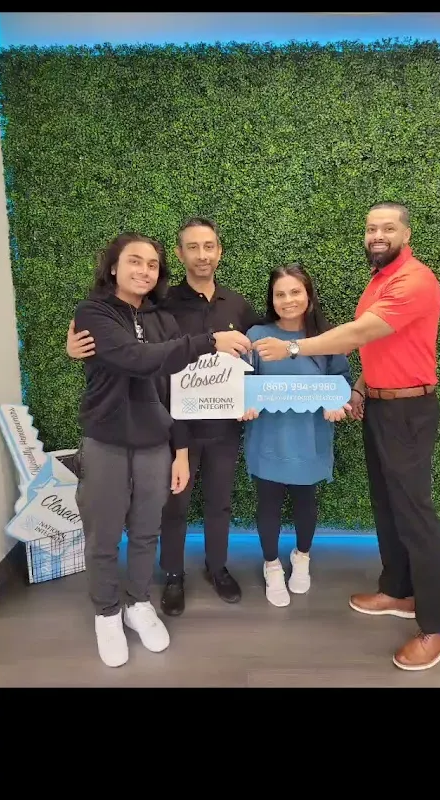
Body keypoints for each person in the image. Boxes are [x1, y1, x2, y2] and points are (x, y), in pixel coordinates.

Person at [253, 202, 440, 671]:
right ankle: (398, 591)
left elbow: (360, 333)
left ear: (406, 234)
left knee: (415, 515)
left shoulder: (414, 280)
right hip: (381, 403)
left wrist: (293, 347)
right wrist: (362, 387)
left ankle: (439, 628)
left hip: (408, 409)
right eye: (371, 228)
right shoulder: (379, 280)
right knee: (387, 505)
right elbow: (379, 346)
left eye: (388, 228)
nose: (377, 235)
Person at [66, 218, 261, 617]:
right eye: (193, 247)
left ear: (220, 251)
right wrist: (75, 349)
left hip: (217, 426)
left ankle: (214, 569)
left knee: (212, 505)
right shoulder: (158, 305)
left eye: (209, 246)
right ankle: (170, 577)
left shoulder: (232, 305)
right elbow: (140, 357)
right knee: (167, 509)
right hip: (169, 428)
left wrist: (253, 395)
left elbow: (255, 352)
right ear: (180, 254)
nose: (202, 255)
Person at [239, 264, 352, 607]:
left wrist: (338, 402)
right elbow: (242, 380)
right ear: (271, 299)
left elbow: (342, 381)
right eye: (280, 294)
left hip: (310, 438)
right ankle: (271, 565)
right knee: (268, 505)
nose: (288, 300)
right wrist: (244, 402)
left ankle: (302, 556)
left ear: (309, 295)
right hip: (268, 438)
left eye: (295, 292)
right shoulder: (256, 335)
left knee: (306, 503)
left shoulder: (326, 338)